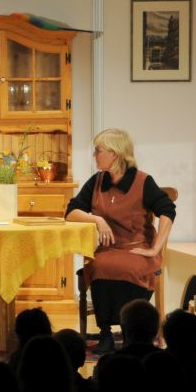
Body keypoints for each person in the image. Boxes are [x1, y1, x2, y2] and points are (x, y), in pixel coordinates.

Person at [65, 128, 175, 353]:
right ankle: (105, 333)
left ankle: (131, 332)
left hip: (137, 249)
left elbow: (167, 210)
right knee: (100, 265)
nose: (94, 155)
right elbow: (71, 212)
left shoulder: (142, 181)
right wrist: (97, 219)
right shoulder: (98, 181)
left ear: (115, 154)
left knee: (129, 267)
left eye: (98, 150)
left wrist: (155, 249)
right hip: (108, 250)